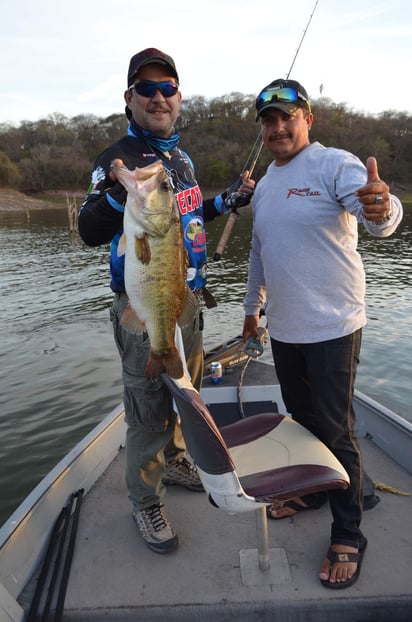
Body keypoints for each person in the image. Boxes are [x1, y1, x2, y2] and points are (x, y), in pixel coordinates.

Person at [78, 48, 254, 555]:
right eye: (147, 88)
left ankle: (176, 460)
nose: (159, 97)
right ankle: (145, 499)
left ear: (179, 98)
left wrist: (226, 202)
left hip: (188, 298)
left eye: (168, 87)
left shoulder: (181, 159)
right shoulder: (118, 160)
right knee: (148, 408)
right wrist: (119, 190)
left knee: (187, 395)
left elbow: (189, 216)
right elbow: (89, 229)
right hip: (143, 306)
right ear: (129, 98)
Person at [242, 78, 403, 588]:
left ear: (308, 118)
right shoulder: (265, 185)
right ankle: (318, 490)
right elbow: (259, 253)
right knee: (304, 422)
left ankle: (350, 530)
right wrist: (252, 309)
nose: (277, 127)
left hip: (333, 326)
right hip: (285, 330)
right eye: (268, 120)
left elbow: (376, 215)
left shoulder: (335, 163)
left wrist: (385, 208)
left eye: (287, 116)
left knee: (336, 429)